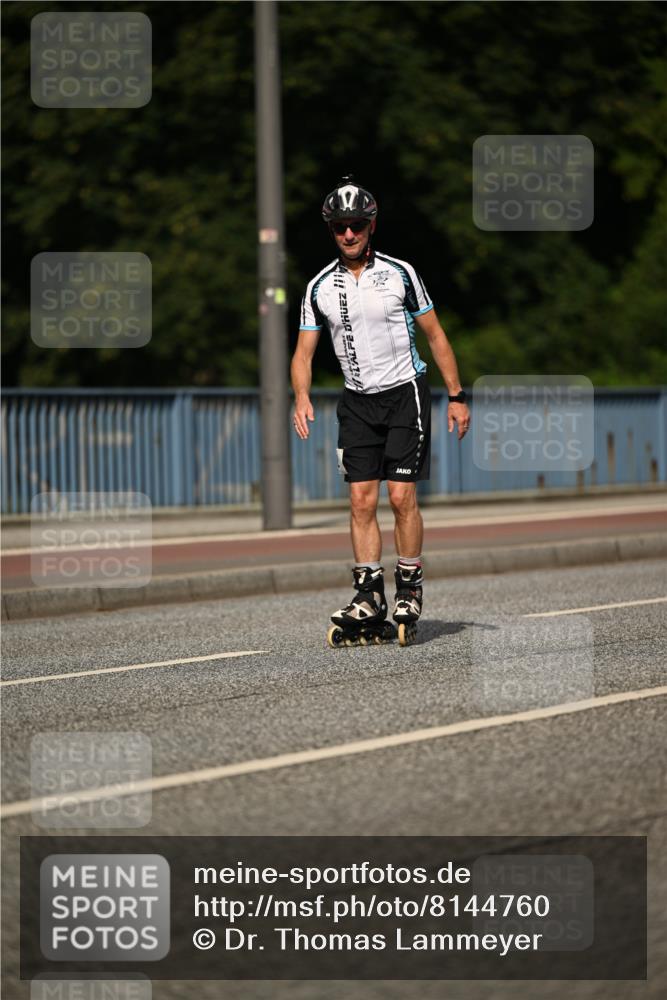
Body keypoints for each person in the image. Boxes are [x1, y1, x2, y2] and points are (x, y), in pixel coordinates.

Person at [291, 175, 470, 638]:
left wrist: (455, 396)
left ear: (371, 225)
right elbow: (304, 353)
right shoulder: (318, 288)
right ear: (330, 230)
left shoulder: (400, 273)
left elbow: (435, 336)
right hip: (356, 402)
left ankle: (409, 584)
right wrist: (302, 396)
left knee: (400, 496)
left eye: (356, 225)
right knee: (360, 499)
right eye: (339, 227)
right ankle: (368, 593)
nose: (348, 234)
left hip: (404, 393)